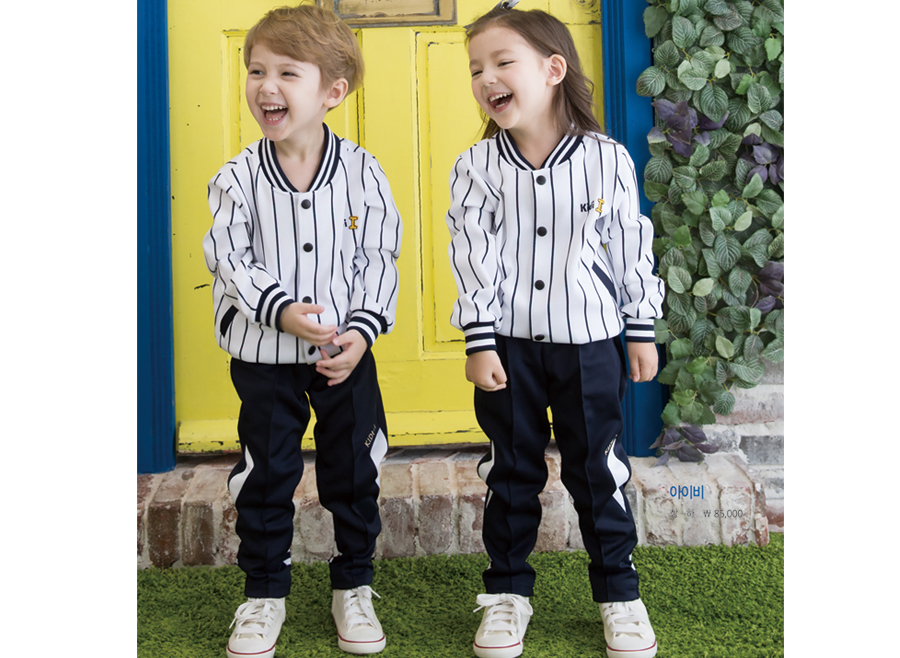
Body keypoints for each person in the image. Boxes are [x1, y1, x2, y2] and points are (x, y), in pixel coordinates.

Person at [445, 4, 664, 658]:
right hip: (507, 348)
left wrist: (640, 328)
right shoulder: (476, 167)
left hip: (590, 345)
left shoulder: (605, 159)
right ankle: (506, 594)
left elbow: (629, 245)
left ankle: (620, 594)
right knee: (510, 472)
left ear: (553, 69)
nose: (486, 78)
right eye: (476, 68)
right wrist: (479, 339)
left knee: (598, 471)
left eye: (502, 62)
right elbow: (472, 257)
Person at [202, 5, 402, 657]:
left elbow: (379, 259)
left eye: (288, 73)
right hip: (264, 358)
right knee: (266, 473)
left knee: (355, 469)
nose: (267, 86)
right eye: (257, 70)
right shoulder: (236, 180)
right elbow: (230, 261)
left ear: (332, 92)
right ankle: (264, 591)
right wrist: (282, 310)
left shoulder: (364, 173)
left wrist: (362, 333)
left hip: (345, 357)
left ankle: (354, 584)